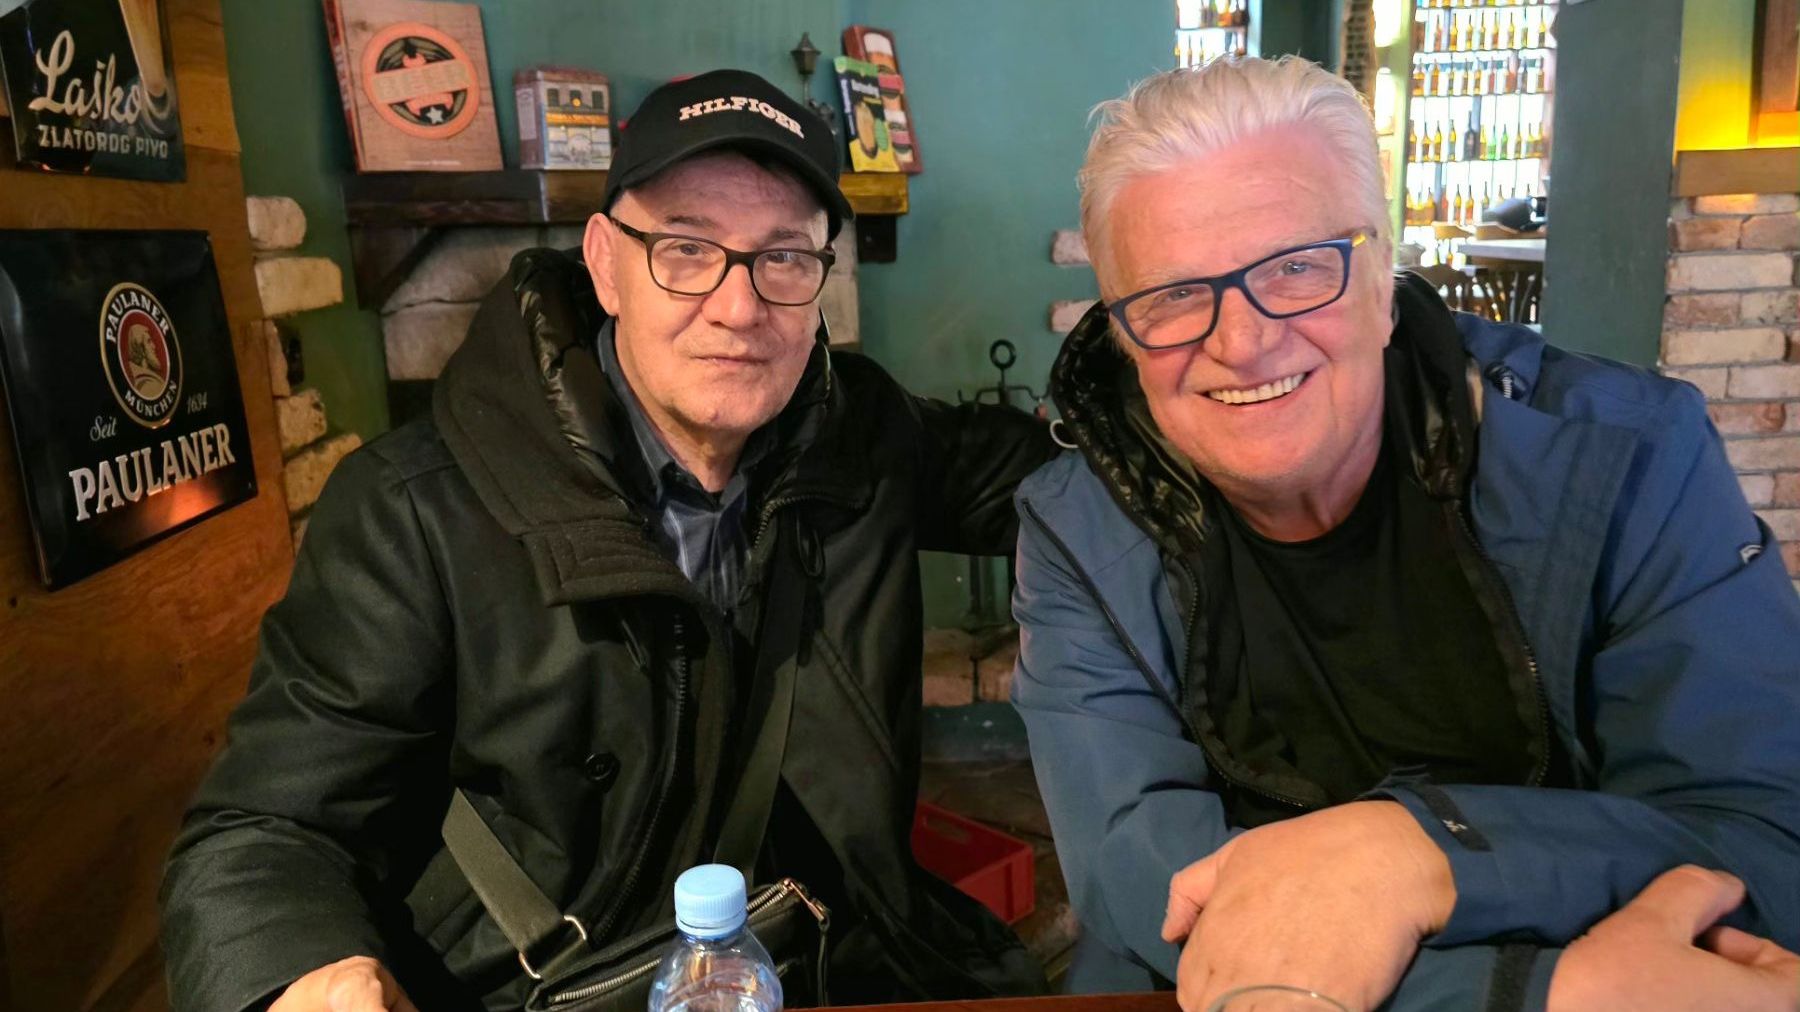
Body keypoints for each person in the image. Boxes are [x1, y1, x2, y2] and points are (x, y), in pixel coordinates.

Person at [161, 69, 1053, 1011]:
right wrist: (306, 972)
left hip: (827, 964)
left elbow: (1053, 474)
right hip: (541, 990)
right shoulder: (411, 511)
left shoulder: (862, 434)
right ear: (604, 264)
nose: (739, 306)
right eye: (685, 249)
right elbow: (266, 830)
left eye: (785, 256)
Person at [1010, 57, 1800, 1011]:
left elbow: (1761, 842)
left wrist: (1425, 856)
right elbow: (1137, 875)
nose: (1243, 342)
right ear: (1124, 335)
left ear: (1383, 282)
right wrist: (1536, 989)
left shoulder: (1629, 458)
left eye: (1298, 267)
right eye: (1173, 295)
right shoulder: (1076, 527)